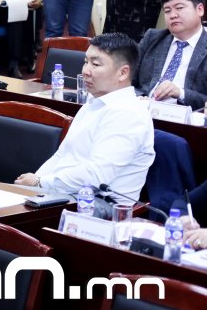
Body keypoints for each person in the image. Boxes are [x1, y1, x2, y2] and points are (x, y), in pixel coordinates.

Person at [15, 33, 155, 202]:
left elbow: (96, 176)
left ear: (123, 73)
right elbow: (62, 155)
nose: (85, 71)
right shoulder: (94, 102)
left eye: (95, 64)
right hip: (62, 194)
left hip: (98, 206)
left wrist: (40, 182)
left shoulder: (129, 114)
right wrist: (30, 189)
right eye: (85, 62)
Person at [133, 0, 207, 109]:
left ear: (200, 9)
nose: (173, 15)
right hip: (144, 111)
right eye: (167, 11)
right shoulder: (153, 38)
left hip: (188, 118)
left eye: (179, 8)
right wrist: (139, 97)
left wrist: (181, 93)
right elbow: (126, 79)